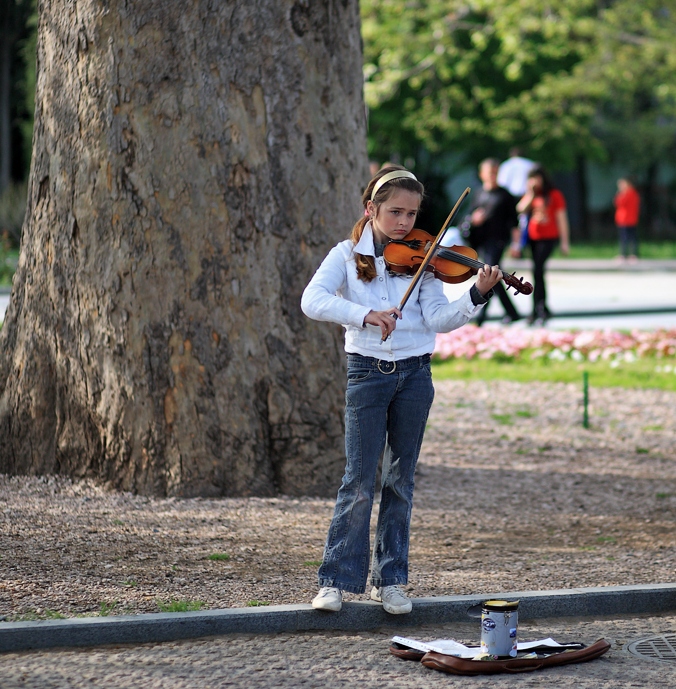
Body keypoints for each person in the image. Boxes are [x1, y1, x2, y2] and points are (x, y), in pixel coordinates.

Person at [300, 165, 502, 614]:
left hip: (415, 373)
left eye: (411, 214)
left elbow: (437, 321)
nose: (405, 224)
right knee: (358, 480)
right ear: (370, 209)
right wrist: (364, 315)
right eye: (395, 212)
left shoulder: (426, 261)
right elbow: (311, 301)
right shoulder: (347, 254)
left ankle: (389, 581)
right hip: (367, 373)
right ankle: (334, 580)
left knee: (400, 480)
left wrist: (476, 294)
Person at [467, 158, 522, 325]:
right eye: (489, 172)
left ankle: (482, 316)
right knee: (493, 276)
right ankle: (512, 312)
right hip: (481, 240)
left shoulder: (505, 195)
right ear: (481, 174)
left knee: (489, 272)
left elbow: (515, 223)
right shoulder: (478, 193)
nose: (492, 175)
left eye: (495, 172)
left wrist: (516, 244)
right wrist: (474, 219)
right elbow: (469, 216)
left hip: (497, 240)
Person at [517, 166, 570, 326]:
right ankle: (542, 308)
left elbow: (561, 218)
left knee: (538, 270)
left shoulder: (554, 195)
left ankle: (537, 309)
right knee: (537, 272)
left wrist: (564, 242)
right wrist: (530, 193)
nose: (535, 181)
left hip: (549, 237)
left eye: (537, 177)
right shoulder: (532, 195)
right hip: (533, 238)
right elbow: (519, 209)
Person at [497, 147, 536, 256]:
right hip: (525, 195)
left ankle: (513, 246)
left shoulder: (506, 165)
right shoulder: (529, 164)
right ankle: (519, 245)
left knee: (511, 222)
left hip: (509, 195)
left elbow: (502, 182)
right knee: (522, 221)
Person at [614, 177, 640, 263]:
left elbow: (618, 202)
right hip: (624, 220)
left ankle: (631, 255)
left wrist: (621, 193)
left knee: (629, 238)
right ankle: (625, 255)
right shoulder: (631, 193)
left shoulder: (629, 193)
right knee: (625, 238)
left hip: (628, 219)